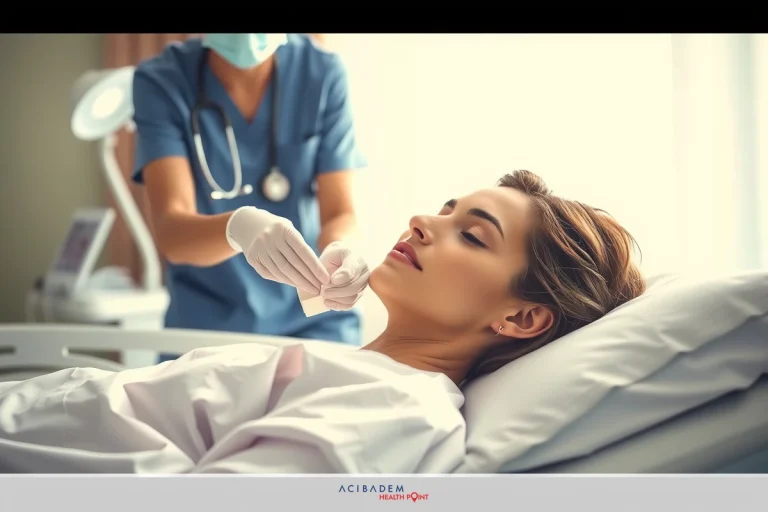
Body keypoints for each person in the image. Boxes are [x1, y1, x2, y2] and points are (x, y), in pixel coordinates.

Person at [0, 171, 646, 473]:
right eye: (447, 207)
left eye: (472, 236)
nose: (423, 219)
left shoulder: (397, 407)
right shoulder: (360, 372)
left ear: (523, 317)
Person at [131, 34, 368, 354]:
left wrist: (343, 251)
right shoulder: (163, 80)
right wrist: (237, 227)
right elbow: (172, 231)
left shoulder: (320, 73)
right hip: (206, 332)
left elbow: (340, 213)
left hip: (315, 324)